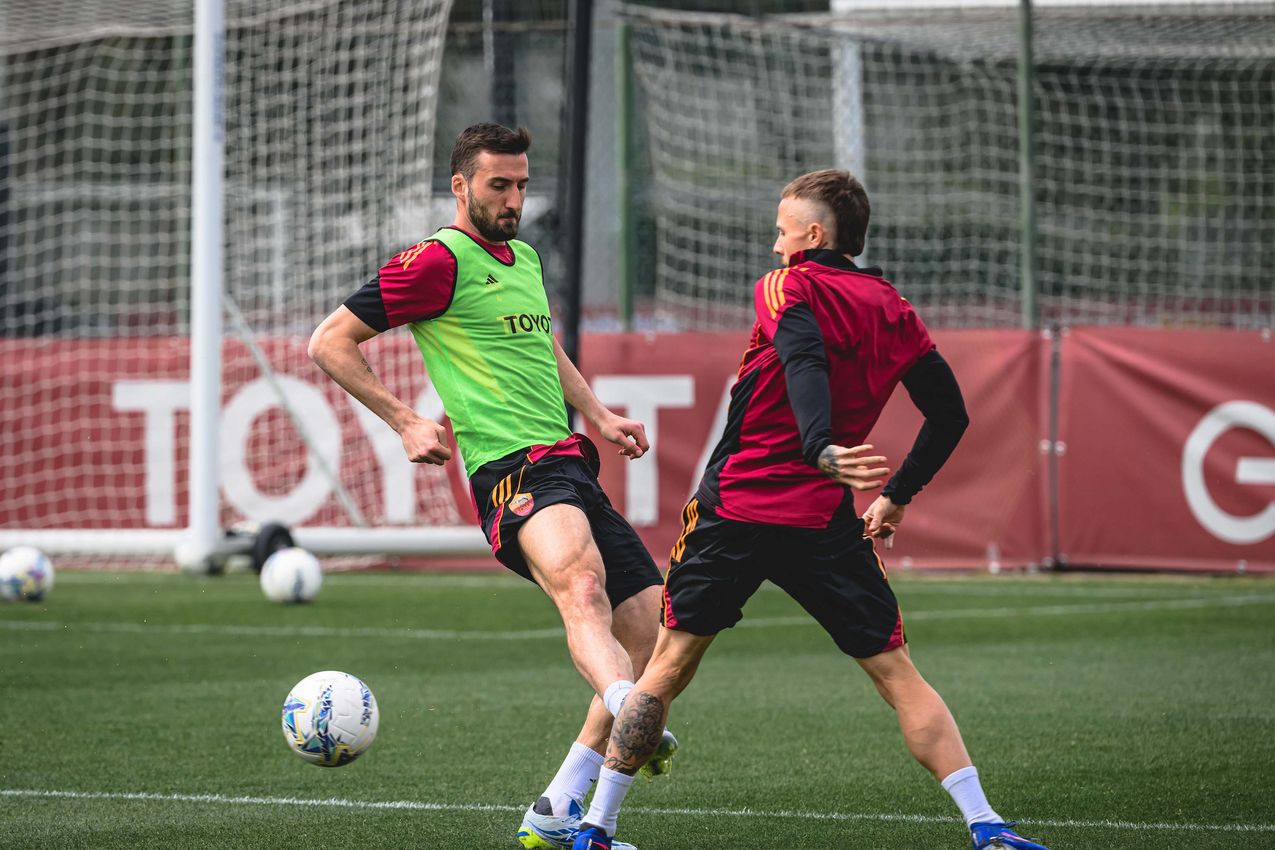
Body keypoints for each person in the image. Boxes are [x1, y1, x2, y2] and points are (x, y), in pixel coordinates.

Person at [571, 170, 1050, 850]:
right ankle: (986, 824)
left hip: (736, 507)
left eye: (781, 227)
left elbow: (801, 357)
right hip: (823, 520)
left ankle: (595, 826)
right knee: (895, 672)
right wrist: (895, 494)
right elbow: (949, 414)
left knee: (667, 665)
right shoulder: (893, 307)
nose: (774, 243)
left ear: (813, 235)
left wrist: (818, 445)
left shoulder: (786, 284)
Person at [308, 123, 675, 850]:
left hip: (569, 462)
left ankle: (558, 808)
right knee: (581, 586)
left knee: (651, 626)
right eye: (497, 185)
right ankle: (626, 705)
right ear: (461, 186)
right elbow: (329, 342)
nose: (512, 199)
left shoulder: (526, 257)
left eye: (520, 185)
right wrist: (406, 420)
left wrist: (597, 412)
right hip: (510, 471)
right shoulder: (434, 262)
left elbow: (540, 343)